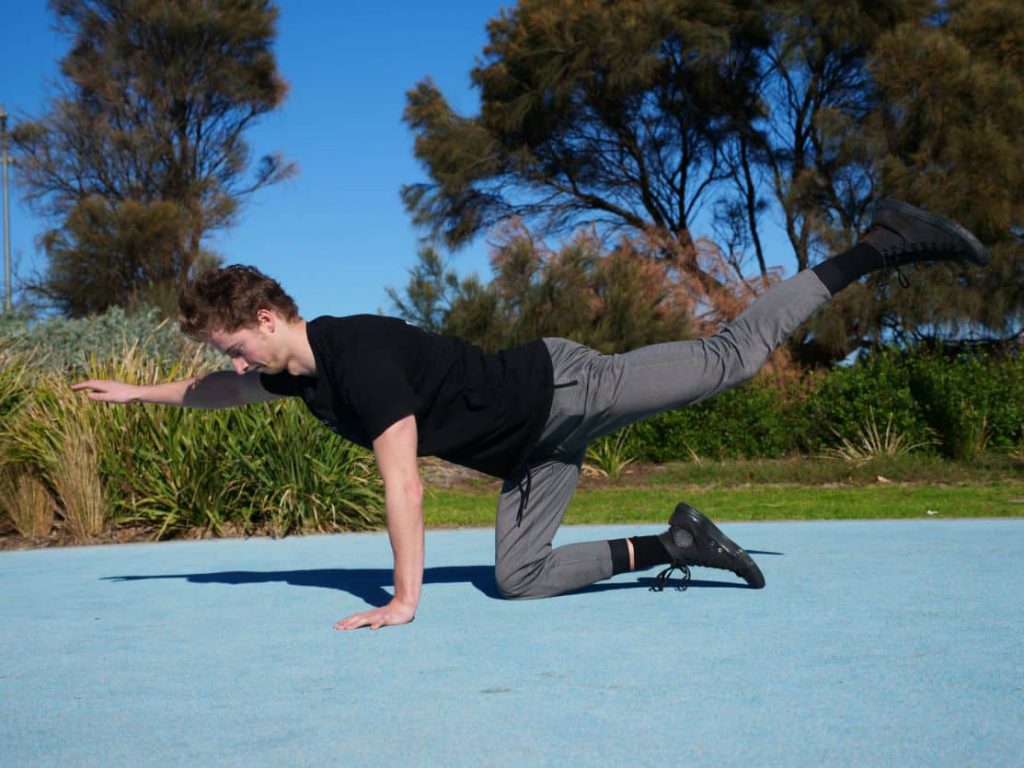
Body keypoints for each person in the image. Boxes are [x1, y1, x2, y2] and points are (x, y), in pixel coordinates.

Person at [73, 199, 989, 630]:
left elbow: (402, 481)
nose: (232, 361)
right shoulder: (295, 374)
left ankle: (874, 245)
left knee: (728, 359)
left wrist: (402, 600)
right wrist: (137, 392)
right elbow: (224, 390)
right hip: (533, 456)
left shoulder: (357, 354)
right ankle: (673, 545)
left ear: (267, 319)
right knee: (517, 578)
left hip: (566, 390)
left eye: (234, 342)